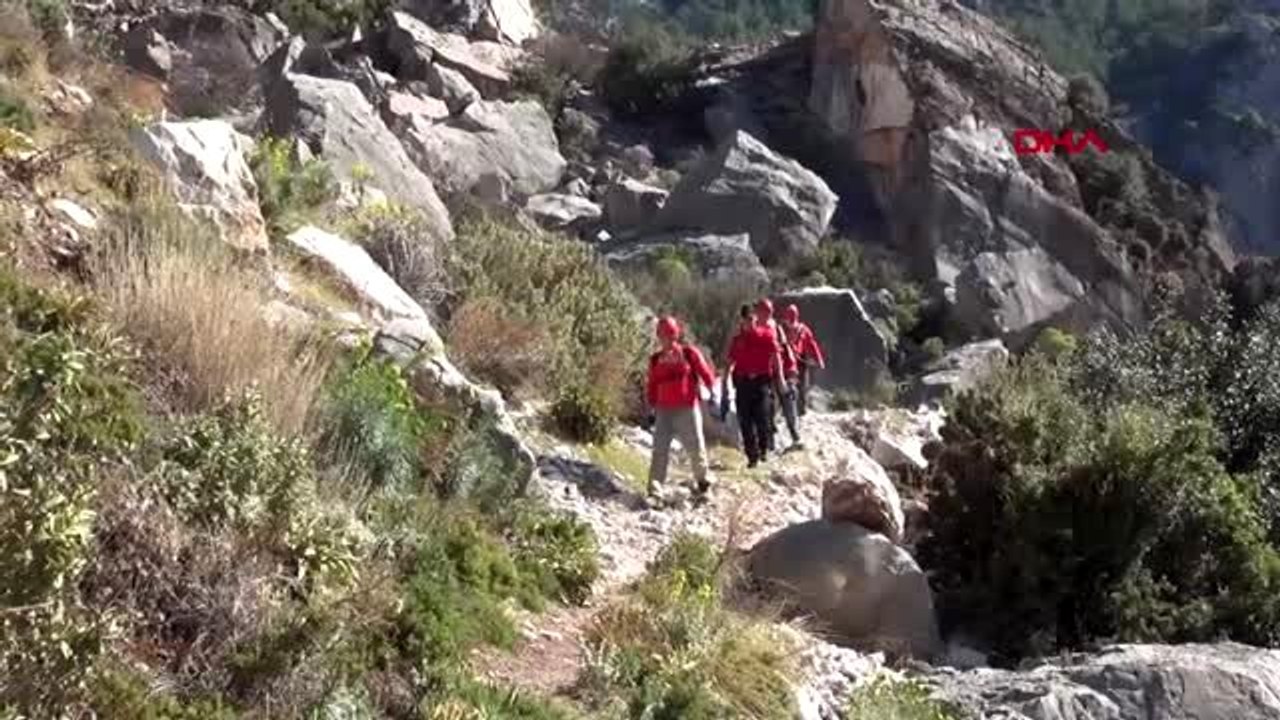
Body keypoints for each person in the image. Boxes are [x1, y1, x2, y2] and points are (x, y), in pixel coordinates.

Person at [645, 316, 716, 505]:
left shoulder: (689, 354)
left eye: (668, 334)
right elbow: (652, 385)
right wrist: (651, 407)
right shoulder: (655, 360)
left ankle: (703, 484)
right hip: (663, 411)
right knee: (659, 450)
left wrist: (711, 389)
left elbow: (704, 371)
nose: (665, 339)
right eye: (662, 334)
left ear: (675, 334)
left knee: (695, 447)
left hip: (687, 408)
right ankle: (655, 491)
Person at [726, 300, 785, 468]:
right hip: (743, 383)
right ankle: (752, 456)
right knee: (745, 421)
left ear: (755, 319)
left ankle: (763, 449)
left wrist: (780, 378)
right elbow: (730, 362)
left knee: (762, 419)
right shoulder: (737, 340)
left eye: (752, 320)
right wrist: (724, 384)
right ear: (742, 321)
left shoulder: (767, 335)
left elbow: (776, 357)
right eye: (746, 320)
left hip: (762, 382)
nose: (750, 323)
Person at [781, 304, 826, 417]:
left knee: (802, 385)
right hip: (785, 360)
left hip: (800, 360)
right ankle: (786, 409)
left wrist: (819, 359)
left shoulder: (803, 329)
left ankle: (801, 409)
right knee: (784, 385)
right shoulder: (781, 329)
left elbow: (812, 344)